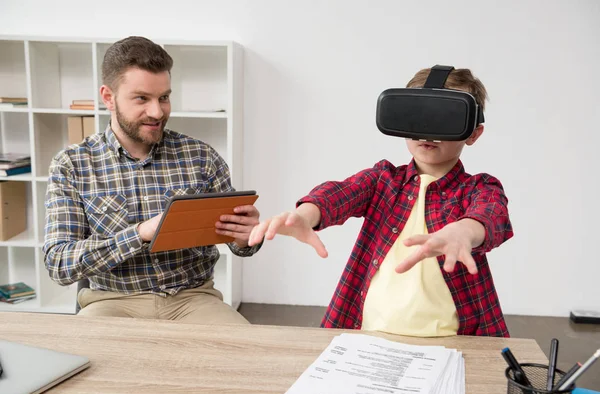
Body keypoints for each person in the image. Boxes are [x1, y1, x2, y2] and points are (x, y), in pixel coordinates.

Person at [249, 67, 513, 337]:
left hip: (452, 338)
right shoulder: (382, 179)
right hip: (372, 332)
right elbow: (339, 194)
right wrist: (305, 215)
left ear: (473, 133)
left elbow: (491, 213)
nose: (427, 132)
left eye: (445, 119)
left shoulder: (479, 187)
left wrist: (464, 231)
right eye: (418, 117)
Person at [43, 36, 261, 324]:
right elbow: (60, 264)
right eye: (142, 99)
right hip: (112, 301)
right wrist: (141, 233)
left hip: (193, 299)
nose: (157, 112)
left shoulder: (201, 156)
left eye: (164, 97)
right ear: (108, 97)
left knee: (248, 359)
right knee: (85, 365)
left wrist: (246, 237)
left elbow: (237, 243)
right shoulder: (72, 164)